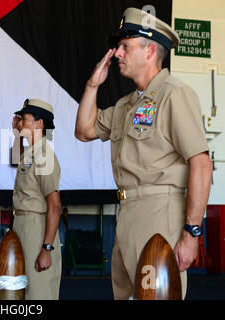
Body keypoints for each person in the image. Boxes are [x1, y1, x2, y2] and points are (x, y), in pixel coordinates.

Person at [75, 8, 212, 299]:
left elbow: (201, 163)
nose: (117, 54)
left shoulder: (174, 94)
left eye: (125, 47)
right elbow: (84, 130)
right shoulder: (127, 104)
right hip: (126, 214)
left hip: (160, 215)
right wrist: (92, 85)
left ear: (150, 51)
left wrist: (192, 233)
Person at [11, 98, 62, 300]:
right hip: (23, 225)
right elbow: (16, 159)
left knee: (38, 293)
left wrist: (47, 249)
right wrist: (17, 135)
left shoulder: (44, 155)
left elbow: (55, 205)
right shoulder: (32, 152)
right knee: (23, 291)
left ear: (39, 124)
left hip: (36, 228)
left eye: (24, 119)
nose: (20, 122)